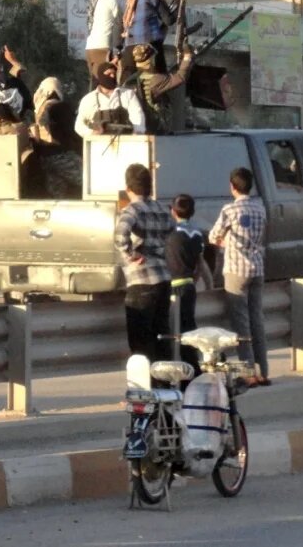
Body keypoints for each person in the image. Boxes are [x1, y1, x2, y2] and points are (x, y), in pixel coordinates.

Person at [210, 167, 270, 386]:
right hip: (257, 268)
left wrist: (226, 242)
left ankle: (248, 371)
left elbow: (213, 236)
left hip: (236, 270)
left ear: (232, 186)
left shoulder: (229, 210)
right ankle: (263, 371)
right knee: (257, 320)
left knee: (241, 323)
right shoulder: (260, 209)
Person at [114, 164, 175, 362]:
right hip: (163, 278)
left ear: (128, 188)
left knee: (140, 340)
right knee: (161, 335)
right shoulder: (162, 209)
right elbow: (172, 233)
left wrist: (131, 254)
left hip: (141, 279)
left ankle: (145, 379)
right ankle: (164, 378)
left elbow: (120, 236)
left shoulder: (132, 210)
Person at [165, 194, 214, 377]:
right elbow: (201, 263)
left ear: (173, 211)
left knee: (175, 332)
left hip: (173, 287)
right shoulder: (197, 234)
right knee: (189, 330)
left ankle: (185, 372)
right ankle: (192, 369)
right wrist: (208, 283)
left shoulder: (170, 233)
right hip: (189, 286)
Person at [120, 0, 175, 81]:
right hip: (151, 47)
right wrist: (178, 6)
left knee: (127, 84)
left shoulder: (125, 0)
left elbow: (119, 25)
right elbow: (169, 20)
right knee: (159, 81)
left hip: (129, 47)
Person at [30, 76, 81, 199]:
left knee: (57, 195)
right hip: (62, 155)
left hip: (45, 156)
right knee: (90, 180)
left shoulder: (39, 108)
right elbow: (71, 131)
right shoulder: (59, 107)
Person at [132, 43, 194, 134]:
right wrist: (188, 57)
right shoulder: (157, 79)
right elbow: (181, 77)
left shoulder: (132, 79)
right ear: (151, 60)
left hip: (141, 125)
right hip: (157, 127)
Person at [75, 62, 146, 139]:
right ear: (101, 76)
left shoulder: (128, 94)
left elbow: (137, 115)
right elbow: (79, 125)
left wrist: (137, 132)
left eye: (114, 73)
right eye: (109, 74)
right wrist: (92, 133)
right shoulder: (88, 99)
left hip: (125, 141)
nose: (112, 76)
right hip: (98, 143)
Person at [85, 0, 121, 89]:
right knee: (104, 84)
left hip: (90, 47)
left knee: (94, 82)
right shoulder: (111, 0)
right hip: (102, 47)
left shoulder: (94, 0)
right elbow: (119, 22)